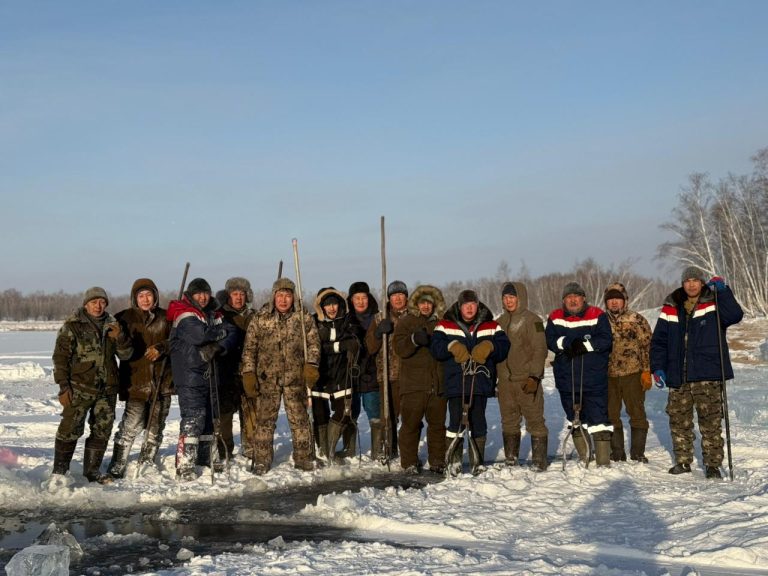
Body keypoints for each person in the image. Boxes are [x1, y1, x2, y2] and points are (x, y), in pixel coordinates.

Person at [651, 266, 743, 479]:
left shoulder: (714, 301)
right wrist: (657, 367)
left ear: (702, 283)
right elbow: (659, 341)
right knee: (678, 419)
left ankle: (712, 464)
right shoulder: (671, 306)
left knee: (710, 421)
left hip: (707, 373)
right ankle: (683, 462)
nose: (691, 284)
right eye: (687, 281)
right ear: (682, 284)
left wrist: (723, 291)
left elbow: (735, 315)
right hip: (677, 374)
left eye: (695, 280)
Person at [51, 287, 133, 483]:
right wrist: (63, 386)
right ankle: (59, 473)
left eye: (102, 302)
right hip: (79, 388)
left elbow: (126, 355)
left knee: (102, 429)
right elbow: (60, 358)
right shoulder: (73, 327)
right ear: (86, 304)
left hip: (107, 389)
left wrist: (120, 338)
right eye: (94, 302)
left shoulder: (114, 326)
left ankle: (92, 472)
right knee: (69, 428)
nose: (98, 306)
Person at [240, 278, 321, 475]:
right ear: (274, 296)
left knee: (300, 420)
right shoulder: (261, 318)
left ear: (293, 297)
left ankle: (303, 458)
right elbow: (250, 349)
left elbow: (313, 344)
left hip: (295, 379)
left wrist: (311, 364)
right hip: (267, 379)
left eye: (287, 295)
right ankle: (262, 460)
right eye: (280, 295)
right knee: (264, 422)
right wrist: (249, 372)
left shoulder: (303, 318)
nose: (283, 300)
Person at [431, 289, 511, 473]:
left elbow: (504, 346)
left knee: (478, 421)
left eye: (472, 304)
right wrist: (451, 346)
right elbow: (435, 347)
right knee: (456, 422)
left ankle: (478, 462)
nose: (469, 308)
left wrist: (489, 345)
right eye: (466, 305)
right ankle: (454, 461)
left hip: (480, 381)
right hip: (455, 382)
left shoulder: (491, 325)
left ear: (478, 305)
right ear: (459, 306)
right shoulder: (445, 324)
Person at [167, 278, 237, 481]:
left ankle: (205, 458)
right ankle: (185, 464)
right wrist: (219, 332)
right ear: (191, 295)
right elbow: (199, 336)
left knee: (209, 419)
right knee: (193, 418)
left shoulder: (213, 314)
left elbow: (232, 333)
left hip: (209, 373)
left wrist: (218, 345)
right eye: (198, 294)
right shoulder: (185, 313)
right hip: (189, 375)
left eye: (205, 293)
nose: (203, 297)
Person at [107, 278, 173, 479]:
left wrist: (162, 347)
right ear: (135, 298)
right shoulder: (124, 318)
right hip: (135, 382)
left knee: (155, 427)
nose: (145, 299)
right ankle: (117, 463)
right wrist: (119, 337)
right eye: (141, 295)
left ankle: (147, 461)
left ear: (155, 296)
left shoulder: (166, 318)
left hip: (162, 382)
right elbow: (120, 351)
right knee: (130, 426)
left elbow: (178, 341)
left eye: (149, 295)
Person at [545, 282, 613, 467]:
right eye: (569, 297)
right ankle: (585, 457)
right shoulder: (556, 317)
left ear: (583, 298)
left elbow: (606, 340)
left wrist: (585, 346)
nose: (573, 300)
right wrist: (567, 342)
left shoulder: (596, 314)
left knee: (599, 418)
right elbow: (550, 340)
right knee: (574, 418)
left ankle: (603, 461)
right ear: (564, 300)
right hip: (567, 379)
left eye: (576, 296)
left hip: (594, 378)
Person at [392, 285, 447, 474]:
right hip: (413, 385)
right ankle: (409, 462)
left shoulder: (442, 323)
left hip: (437, 384)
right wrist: (414, 339)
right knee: (410, 425)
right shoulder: (406, 322)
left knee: (438, 426)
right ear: (416, 303)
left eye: (429, 303)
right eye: (422, 302)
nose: (426, 306)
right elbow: (399, 348)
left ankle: (438, 461)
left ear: (434, 304)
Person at [495, 282, 549, 471]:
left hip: (526, 380)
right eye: (505, 297)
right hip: (505, 382)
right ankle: (511, 459)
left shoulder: (532, 320)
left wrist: (534, 376)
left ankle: (539, 461)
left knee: (535, 420)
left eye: (512, 297)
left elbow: (540, 349)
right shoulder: (499, 322)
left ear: (520, 298)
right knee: (509, 420)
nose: (508, 301)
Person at [312, 287, 364, 461]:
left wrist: (336, 346)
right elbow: (314, 347)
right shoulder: (314, 322)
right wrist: (339, 346)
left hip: (343, 374)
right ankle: (324, 450)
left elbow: (355, 343)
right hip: (320, 374)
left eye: (334, 304)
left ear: (340, 304)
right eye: (327, 305)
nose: (332, 308)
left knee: (343, 412)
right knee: (320, 415)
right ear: (322, 307)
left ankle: (331, 446)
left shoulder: (349, 321)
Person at [603, 282, 652, 463]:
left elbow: (646, 347)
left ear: (625, 301)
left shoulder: (636, 320)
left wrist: (646, 371)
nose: (614, 303)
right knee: (611, 414)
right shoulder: (600, 321)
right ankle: (617, 452)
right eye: (610, 300)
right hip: (608, 376)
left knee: (637, 413)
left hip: (633, 373)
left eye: (618, 299)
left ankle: (638, 453)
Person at [366, 280, 410, 460]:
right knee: (388, 416)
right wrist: (378, 333)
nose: (398, 299)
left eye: (401, 295)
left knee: (409, 417)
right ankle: (388, 449)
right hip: (387, 375)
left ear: (406, 297)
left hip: (409, 375)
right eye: (394, 295)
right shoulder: (379, 318)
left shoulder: (413, 317)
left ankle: (408, 450)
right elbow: (370, 347)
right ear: (389, 298)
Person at [218, 277, 256, 461]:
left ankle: (250, 448)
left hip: (250, 371)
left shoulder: (255, 316)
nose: (239, 297)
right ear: (228, 296)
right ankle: (224, 449)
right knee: (225, 413)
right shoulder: (219, 315)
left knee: (250, 411)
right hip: (226, 371)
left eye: (242, 294)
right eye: (235, 294)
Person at [346, 281, 382, 459]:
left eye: (364, 298)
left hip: (372, 374)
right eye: (357, 298)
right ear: (351, 300)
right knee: (351, 413)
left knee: (375, 412)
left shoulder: (378, 318)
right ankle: (350, 449)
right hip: (350, 375)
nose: (360, 302)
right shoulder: (345, 319)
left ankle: (377, 450)